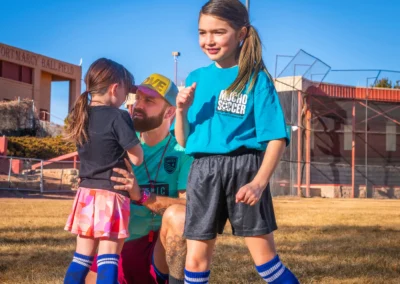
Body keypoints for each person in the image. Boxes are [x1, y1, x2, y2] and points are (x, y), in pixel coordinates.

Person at [174, 1, 299, 283]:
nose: (209, 40)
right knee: (195, 260)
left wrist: (258, 182)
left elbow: (276, 139)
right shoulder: (195, 78)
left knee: (266, 262)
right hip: (203, 172)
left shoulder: (256, 79)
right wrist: (181, 110)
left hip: (245, 170)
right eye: (202, 32)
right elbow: (183, 140)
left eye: (218, 32)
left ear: (241, 33)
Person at [86, 73, 193, 284]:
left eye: (149, 101)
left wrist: (141, 195)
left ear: (170, 111)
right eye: (138, 98)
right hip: (120, 246)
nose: (138, 105)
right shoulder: (119, 145)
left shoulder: (182, 151)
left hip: (160, 253)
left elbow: (190, 208)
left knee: (179, 216)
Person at [63, 58, 144, 284]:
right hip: (112, 195)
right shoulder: (119, 116)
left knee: (81, 258)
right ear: (115, 88)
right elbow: (137, 158)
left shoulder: (81, 115)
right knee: (108, 259)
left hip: (86, 195)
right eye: (126, 92)